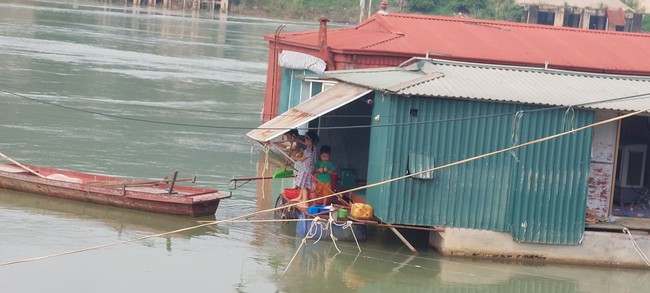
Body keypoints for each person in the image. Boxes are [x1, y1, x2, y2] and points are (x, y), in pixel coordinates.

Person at [291, 131, 319, 208]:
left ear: (310, 141)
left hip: (305, 170)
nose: (305, 142)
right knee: (303, 185)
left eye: (306, 140)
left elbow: (302, 159)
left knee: (304, 186)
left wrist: (294, 158)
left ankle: (305, 202)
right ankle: (300, 198)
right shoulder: (314, 149)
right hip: (309, 169)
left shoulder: (308, 150)